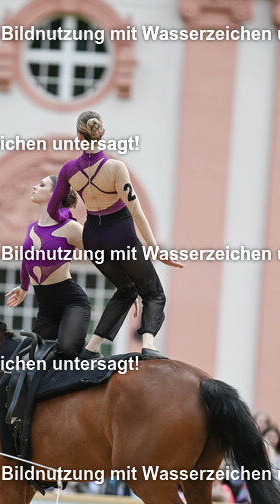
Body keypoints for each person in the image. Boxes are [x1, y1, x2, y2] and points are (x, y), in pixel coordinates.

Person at [47, 111, 184, 359]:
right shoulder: (115, 167)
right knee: (152, 292)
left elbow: (52, 208)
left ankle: (92, 348)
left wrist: (71, 226)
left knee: (127, 289)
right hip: (120, 233)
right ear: (103, 133)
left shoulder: (68, 170)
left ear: (78, 136)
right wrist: (154, 248)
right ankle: (149, 346)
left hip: (92, 237)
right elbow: (136, 210)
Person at [6, 176, 91, 358]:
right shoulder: (32, 228)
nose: (35, 186)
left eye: (42, 185)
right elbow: (27, 259)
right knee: (21, 359)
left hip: (72, 303)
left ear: (56, 193)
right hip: (46, 308)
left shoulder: (71, 228)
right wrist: (23, 286)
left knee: (67, 350)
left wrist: (127, 286)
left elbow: (105, 255)